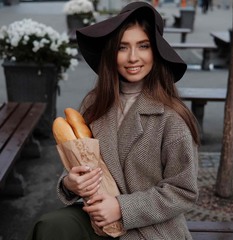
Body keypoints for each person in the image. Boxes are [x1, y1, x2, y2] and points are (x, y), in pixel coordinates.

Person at [26, 2, 200, 240]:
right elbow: (78, 159)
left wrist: (121, 207)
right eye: (122, 47)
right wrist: (70, 183)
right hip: (97, 218)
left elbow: (183, 191)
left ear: (155, 52)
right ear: (111, 52)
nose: (132, 57)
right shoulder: (94, 104)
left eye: (143, 46)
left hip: (149, 228)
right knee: (50, 226)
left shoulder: (171, 117)